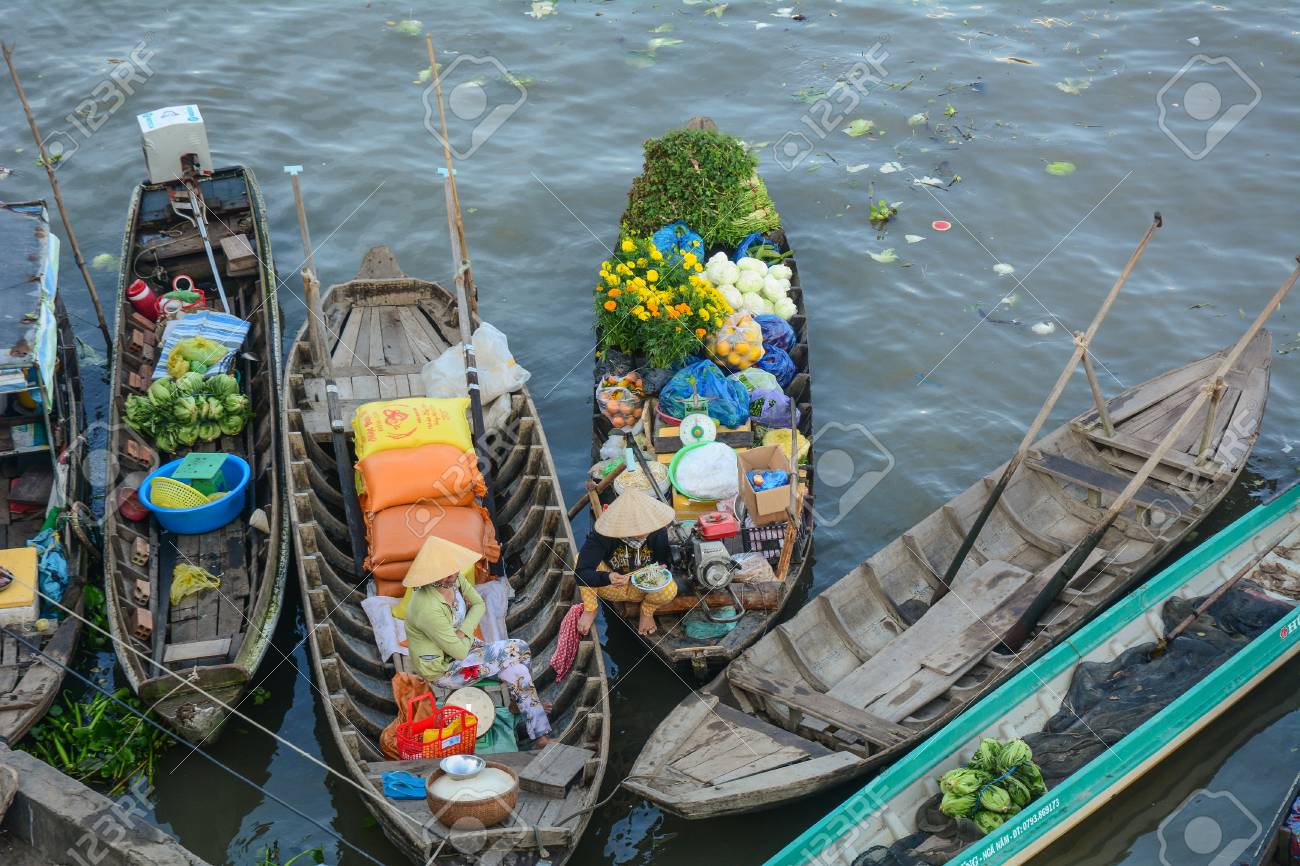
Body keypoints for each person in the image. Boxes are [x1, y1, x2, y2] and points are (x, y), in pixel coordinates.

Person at [402, 535, 552, 746]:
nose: (453, 574)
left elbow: (479, 604)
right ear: (431, 576)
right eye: (445, 573)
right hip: (445, 669)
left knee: (519, 671)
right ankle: (521, 702)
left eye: (453, 569)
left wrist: (463, 630)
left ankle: (539, 733)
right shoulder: (427, 608)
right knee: (519, 649)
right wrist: (465, 640)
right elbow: (459, 654)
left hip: (465, 646)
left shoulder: (454, 580)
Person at [575, 490, 678, 636]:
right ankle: (591, 609)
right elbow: (581, 574)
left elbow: (663, 562)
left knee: (670, 590)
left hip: (642, 588)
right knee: (578, 558)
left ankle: (646, 611)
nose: (643, 533)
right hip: (611, 587)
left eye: (646, 527)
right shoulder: (603, 535)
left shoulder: (658, 532)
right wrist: (608, 577)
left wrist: (662, 566)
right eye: (636, 528)